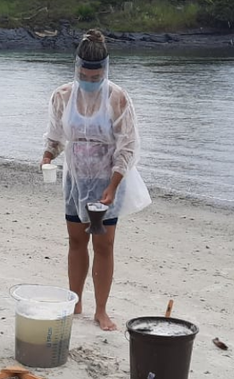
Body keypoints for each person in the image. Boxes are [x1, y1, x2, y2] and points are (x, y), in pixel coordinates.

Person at [41, 29, 151, 331]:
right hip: (75, 180)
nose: (90, 80)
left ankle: (101, 310)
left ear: (105, 69)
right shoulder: (63, 95)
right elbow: (56, 135)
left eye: (96, 76)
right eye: (85, 76)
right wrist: (48, 156)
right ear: (77, 69)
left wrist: (112, 186)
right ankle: (74, 301)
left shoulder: (117, 98)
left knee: (104, 245)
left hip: (108, 179)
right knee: (76, 241)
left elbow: (127, 147)